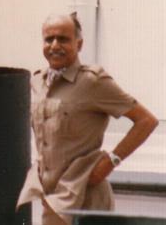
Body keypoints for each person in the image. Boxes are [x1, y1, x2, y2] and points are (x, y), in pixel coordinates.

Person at [17, 13, 157, 224]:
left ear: (79, 44)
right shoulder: (38, 82)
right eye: (49, 39)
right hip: (54, 200)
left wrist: (111, 161)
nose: (55, 45)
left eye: (63, 39)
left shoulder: (93, 82)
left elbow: (146, 121)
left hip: (87, 198)